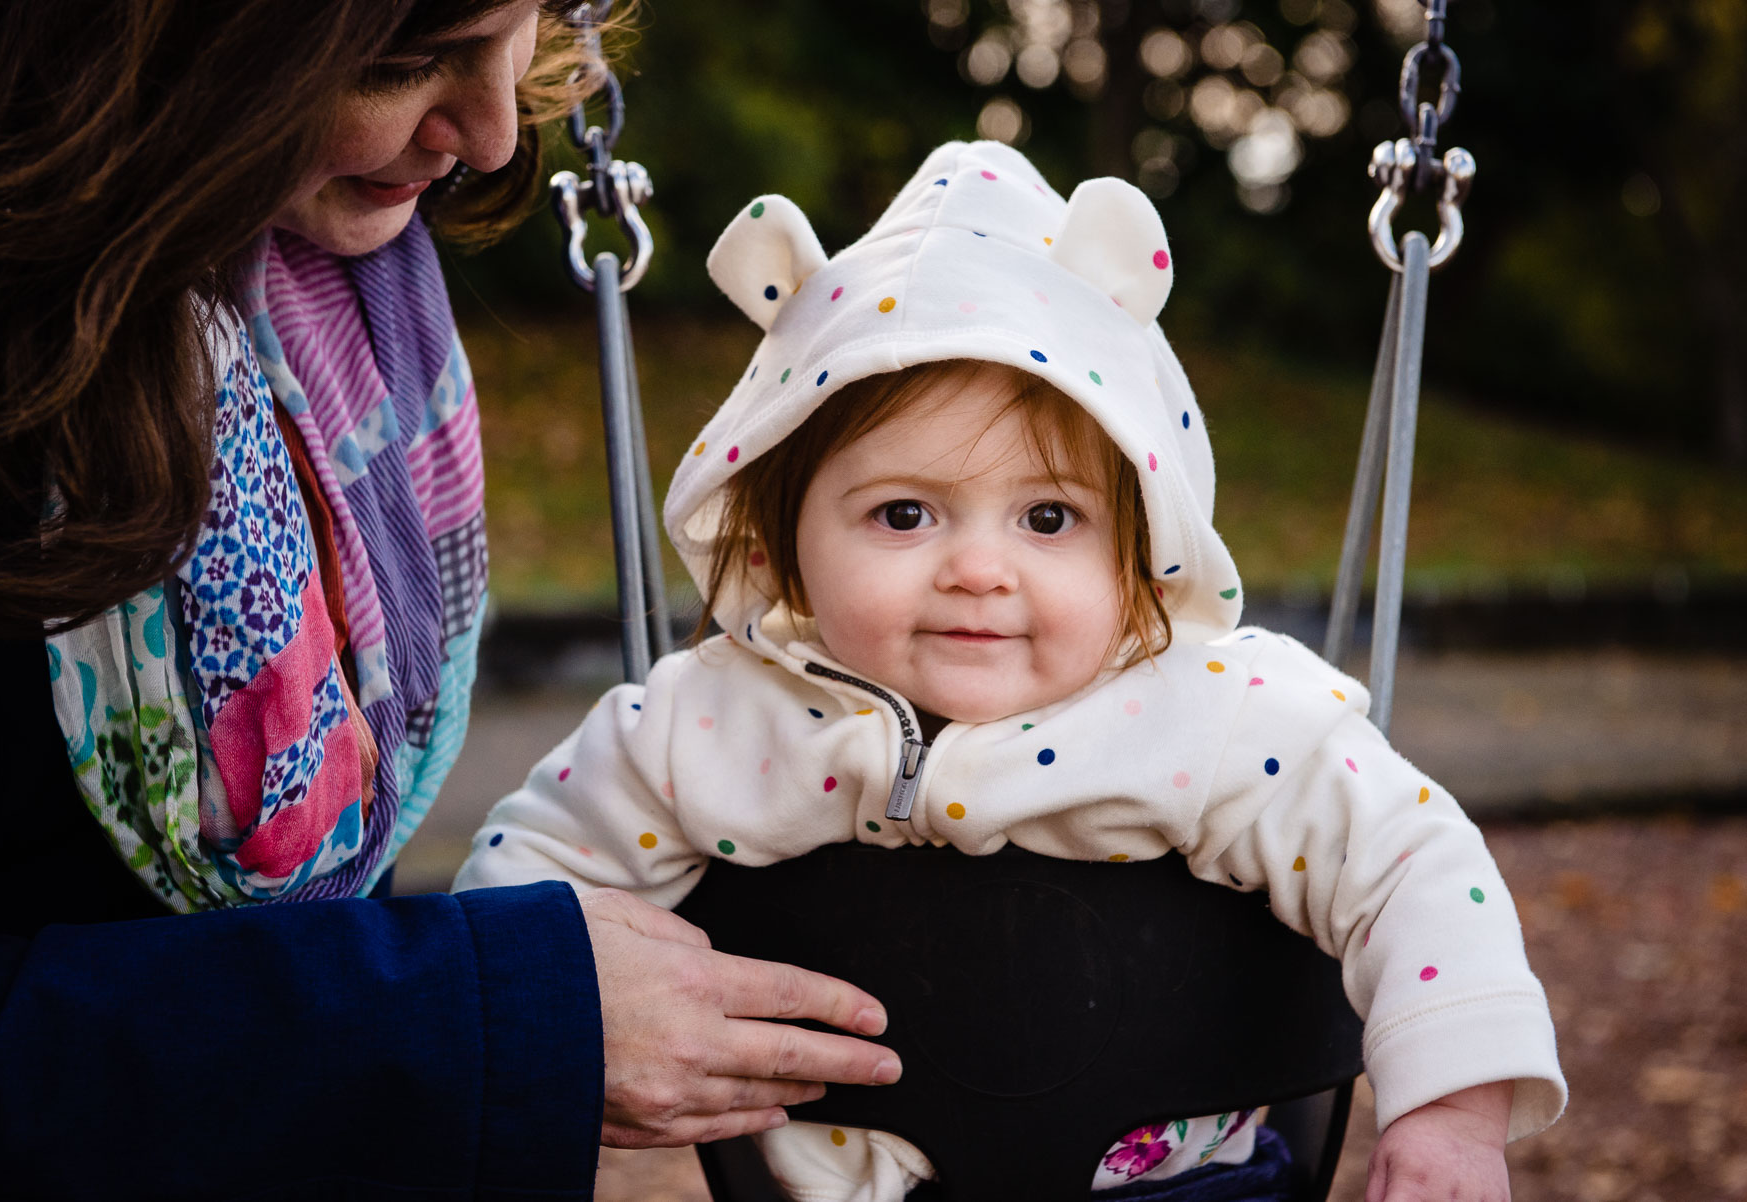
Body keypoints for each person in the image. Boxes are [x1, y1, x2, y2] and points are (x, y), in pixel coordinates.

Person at [453, 140, 1569, 1201]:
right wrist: (523, 1044)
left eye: (1048, 516)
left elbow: (1415, 863)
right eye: (904, 513)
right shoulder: (704, 723)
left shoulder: (1225, 713)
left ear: (1142, 550)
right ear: (776, 546)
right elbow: (529, 891)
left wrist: (1451, 1110)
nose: (979, 569)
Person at [0, 3, 899, 1196]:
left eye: (532, 20)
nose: (496, 133)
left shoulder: (324, 288)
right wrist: (478, 1019)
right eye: (400, 61)